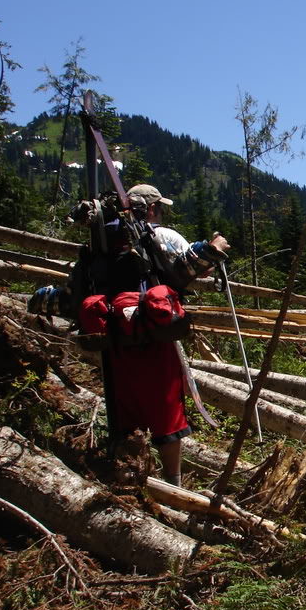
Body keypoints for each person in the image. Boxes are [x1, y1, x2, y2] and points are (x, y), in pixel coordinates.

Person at [107, 184, 230, 486]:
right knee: (166, 410)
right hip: (156, 336)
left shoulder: (106, 243)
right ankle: (172, 483)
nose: (161, 212)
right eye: (159, 207)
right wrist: (212, 249)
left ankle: (128, 475)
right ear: (151, 208)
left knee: (126, 407)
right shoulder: (158, 236)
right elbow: (183, 273)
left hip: (117, 337)